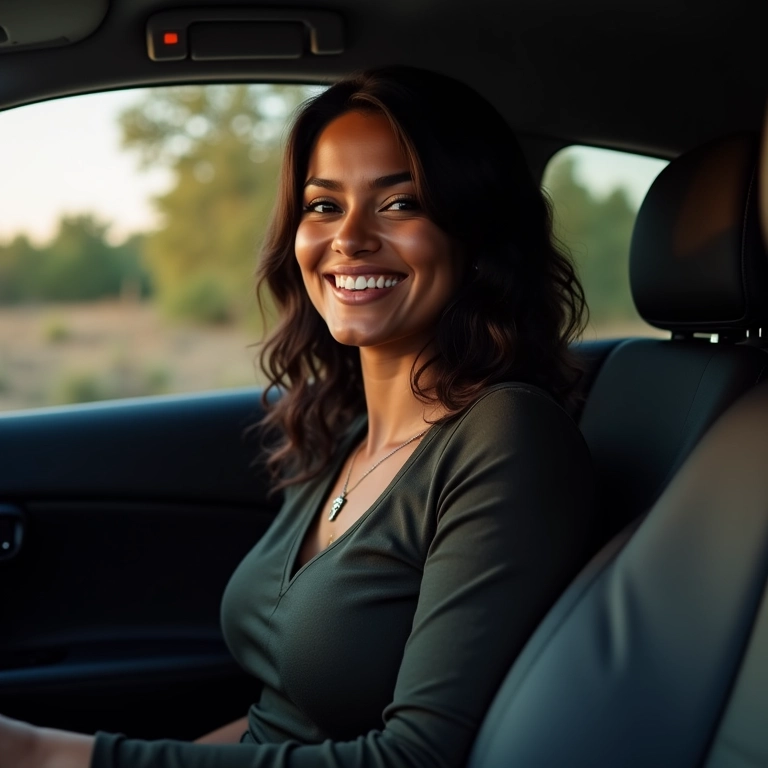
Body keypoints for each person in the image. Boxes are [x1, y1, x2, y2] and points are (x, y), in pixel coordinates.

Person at [0, 66, 596, 768]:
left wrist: (45, 755)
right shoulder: (345, 431)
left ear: (475, 234)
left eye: (399, 204)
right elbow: (276, 723)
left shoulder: (506, 439)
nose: (349, 238)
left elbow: (417, 758)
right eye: (322, 206)